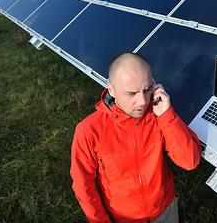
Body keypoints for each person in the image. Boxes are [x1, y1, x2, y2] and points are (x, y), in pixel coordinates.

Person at [70, 53, 201, 222]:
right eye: (131, 93)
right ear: (111, 89)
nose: (142, 101)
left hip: (165, 210)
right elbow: (83, 185)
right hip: (124, 218)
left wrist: (167, 116)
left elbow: (190, 161)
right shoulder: (88, 131)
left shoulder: (158, 114)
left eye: (147, 90)